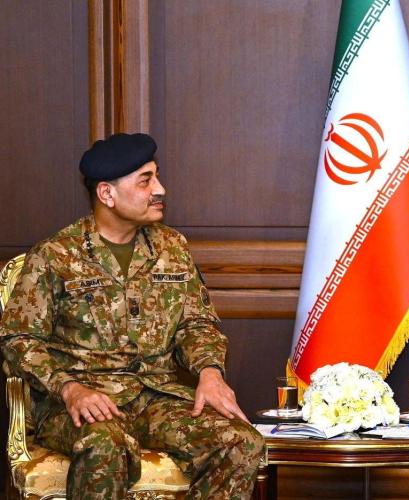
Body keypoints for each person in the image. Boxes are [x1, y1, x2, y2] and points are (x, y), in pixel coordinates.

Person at [0, 133, 264, 500]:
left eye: (157, 176)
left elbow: (196, 324)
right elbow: (18, 340)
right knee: (105, 445)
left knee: (241, 441)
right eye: (145, 181)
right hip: (83, 402)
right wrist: (69, 388)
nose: (160, 189)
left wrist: (210, 372)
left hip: (155, 397)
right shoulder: (54, 255)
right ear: (107, 193)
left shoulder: (172, 247)